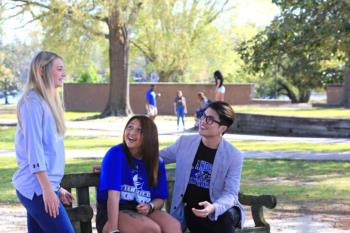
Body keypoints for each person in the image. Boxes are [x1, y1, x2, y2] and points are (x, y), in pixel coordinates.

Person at [12, 51, 75, 233]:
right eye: (60, 69)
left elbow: (49, 152)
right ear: (41, 70)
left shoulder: (48, 103)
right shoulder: (31, 103)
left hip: (44, 187)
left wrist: (56, 187)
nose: (64, 74)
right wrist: (48, 190)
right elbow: (35, 152)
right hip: (36, 189)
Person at [160, 101, 244, 233]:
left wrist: (213, 208)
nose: (203, 121)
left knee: (223, 218)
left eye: (210, 119)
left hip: (222, 209)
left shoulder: (233, 156)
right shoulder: (184, 143)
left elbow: (230, 194)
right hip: (194, 210)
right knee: (199, 220)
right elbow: (157, 158)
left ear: (222, 128)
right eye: (203, 116)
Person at [96, 115, 181, 233]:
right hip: (113, 214)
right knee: (151, 229)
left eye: (139, 130)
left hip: (140, 211)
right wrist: (112, 229)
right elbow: (113, 197)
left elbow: (160, 199)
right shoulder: (116, 154)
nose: (132, 132)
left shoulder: (156, 162)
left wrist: (150, 206)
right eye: (130, 127)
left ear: (149, 136)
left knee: (174, 226)